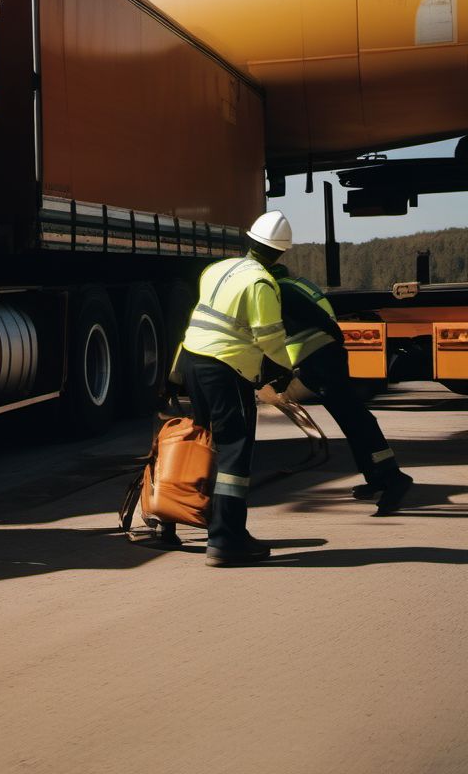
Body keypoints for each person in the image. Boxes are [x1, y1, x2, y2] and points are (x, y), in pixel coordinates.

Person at [177, 210, 294, 567]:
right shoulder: (261, 283)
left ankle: (176, 517)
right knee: (233, 451)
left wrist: (173, 374)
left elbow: (199, 320)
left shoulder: (217, 269)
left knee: (203, 444)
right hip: (227, 369)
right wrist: (287, 370)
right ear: (280, 254)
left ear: (250, 240)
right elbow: (271, 339)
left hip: (193, 361)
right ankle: (227, 539)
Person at [270, 264, 413, 515]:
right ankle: (376, 477)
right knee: (351, 420)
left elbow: (301, 328)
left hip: (321, 359)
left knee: (356, 419)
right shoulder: (297, 285)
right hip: (321, 358)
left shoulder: (282, 291)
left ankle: (393, 477)